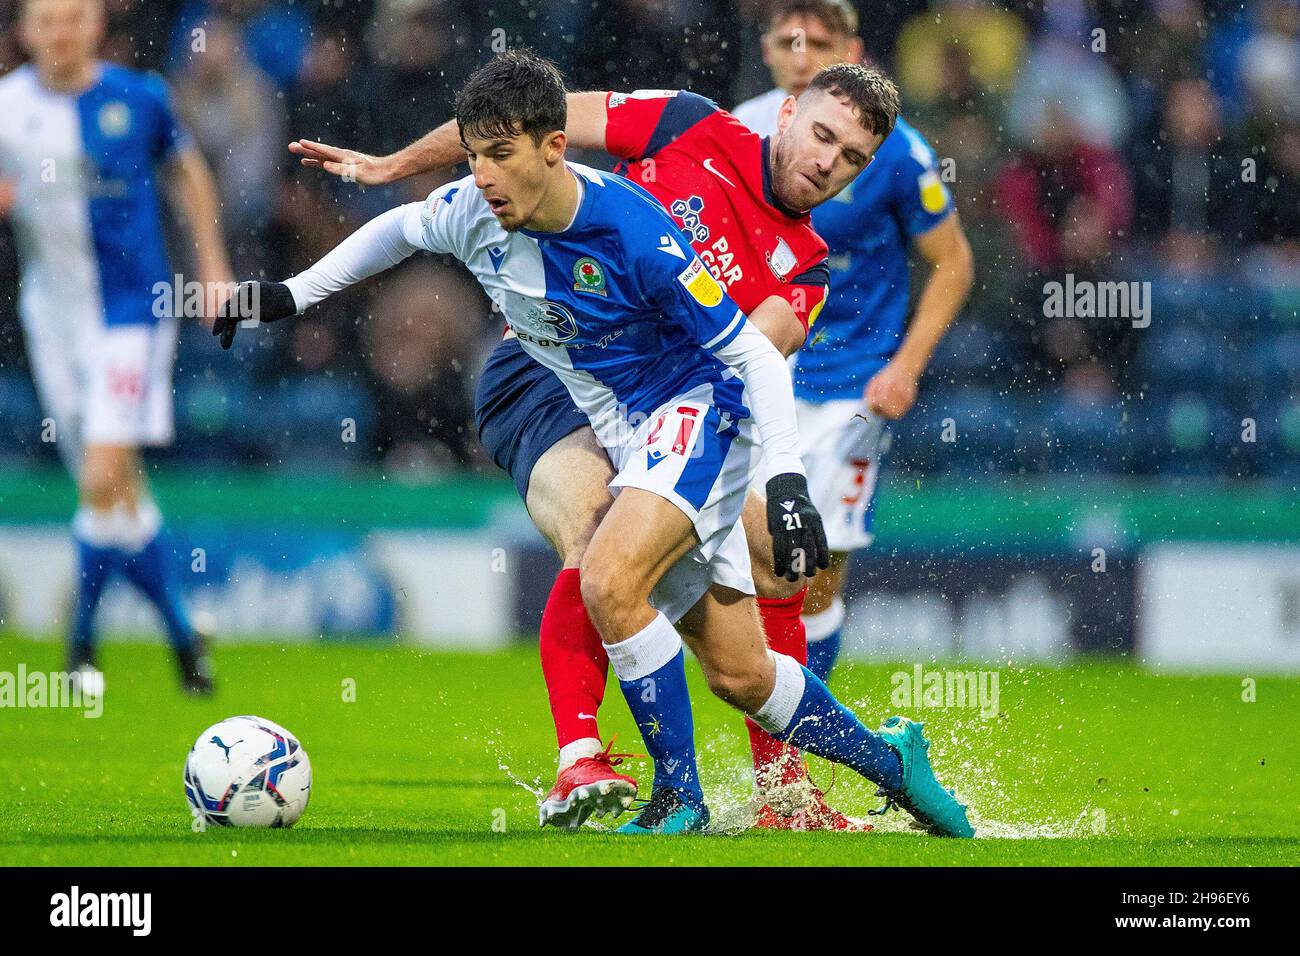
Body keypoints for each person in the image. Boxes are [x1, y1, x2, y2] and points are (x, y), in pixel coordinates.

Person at [216, 50, 974, 840]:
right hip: (558, 374)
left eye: (852, 158)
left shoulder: (778, 264)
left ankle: (674, 789)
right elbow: (501, 137)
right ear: (785, 115)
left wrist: (784, 481)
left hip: (683, 406)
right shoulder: (674, 128)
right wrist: (302, 278)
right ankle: (881, 764)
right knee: (730, 662)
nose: (827, 163)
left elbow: (748, 357)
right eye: (821, 136)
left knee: (627, 570)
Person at [733, 0, 974, 700]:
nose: (803, 56)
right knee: (734, 565)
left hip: (849, 387)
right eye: (788, 41)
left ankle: (796, 747)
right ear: (768, 48)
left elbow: (953, 262)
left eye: (822, 42)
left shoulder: (897, 150)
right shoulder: (734, 130)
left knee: (812, 572)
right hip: (752, 373)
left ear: (854, 50)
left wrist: (905, 366)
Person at [0, 0, 234, 693]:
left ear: (97, 24)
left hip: (133, 315)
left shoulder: (139, 98)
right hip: (50, 319)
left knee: (103, 476)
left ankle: (80, 648)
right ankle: (184, 638)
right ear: (25, 33)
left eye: (73, 17)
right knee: (116, 493)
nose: (61, 32)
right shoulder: (8, 107)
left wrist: (213, 267)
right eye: (47, 21)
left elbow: (188, 172)